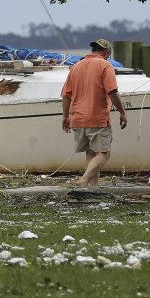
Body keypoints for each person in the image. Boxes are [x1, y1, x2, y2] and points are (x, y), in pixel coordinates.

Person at [60, 39, 127, 187]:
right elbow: (113, 92)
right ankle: (84, 180)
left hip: (77, 118)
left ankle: (92, 186)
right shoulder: (105, 65)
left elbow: (66, 95)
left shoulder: (76, 67)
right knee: (103, 154)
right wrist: (122, 112)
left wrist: (65, 116)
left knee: (90, 152)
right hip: (97, 118)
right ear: (107, 52)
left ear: (93, 50)